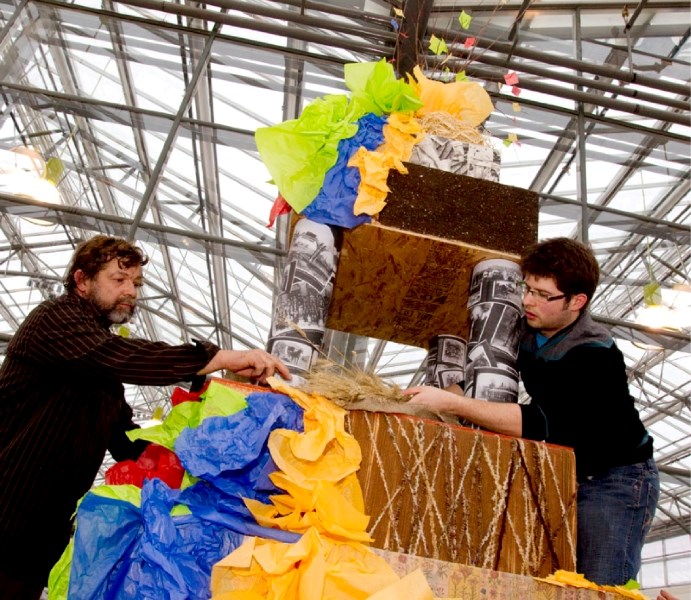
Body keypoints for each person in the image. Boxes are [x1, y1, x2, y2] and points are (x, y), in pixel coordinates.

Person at [0, 235, 291, 599]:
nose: (131, 292)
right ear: (81, 280)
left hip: (38, 533)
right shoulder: (56, 320)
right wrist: (214, 358)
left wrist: (198, 462)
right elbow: (118, 355)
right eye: (118, 280)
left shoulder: (99, 367)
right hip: (7, 509)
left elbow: (126, 441)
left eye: (135, 283)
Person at [404, 237, 660, 586]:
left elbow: (542, 423)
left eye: (543, 294)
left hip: (616, 478)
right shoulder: (530, 329)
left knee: (598, 585)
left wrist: (452, 403)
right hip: (567, 469)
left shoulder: (594, 354)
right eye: (528, 288)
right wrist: (456, 388)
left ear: (577, 301)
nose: (527, 300)